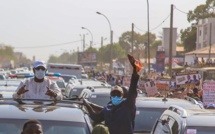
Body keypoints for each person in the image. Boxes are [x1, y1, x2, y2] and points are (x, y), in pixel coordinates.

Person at [83, 54, 139, 134]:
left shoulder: (128, 105)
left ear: (122, 96)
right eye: (114, 94)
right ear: (110, 97)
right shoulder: (107, 109)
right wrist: (87, 105)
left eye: (118, 94)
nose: (116, 96)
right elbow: (96, 118)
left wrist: (134, 69)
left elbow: (132, 89)